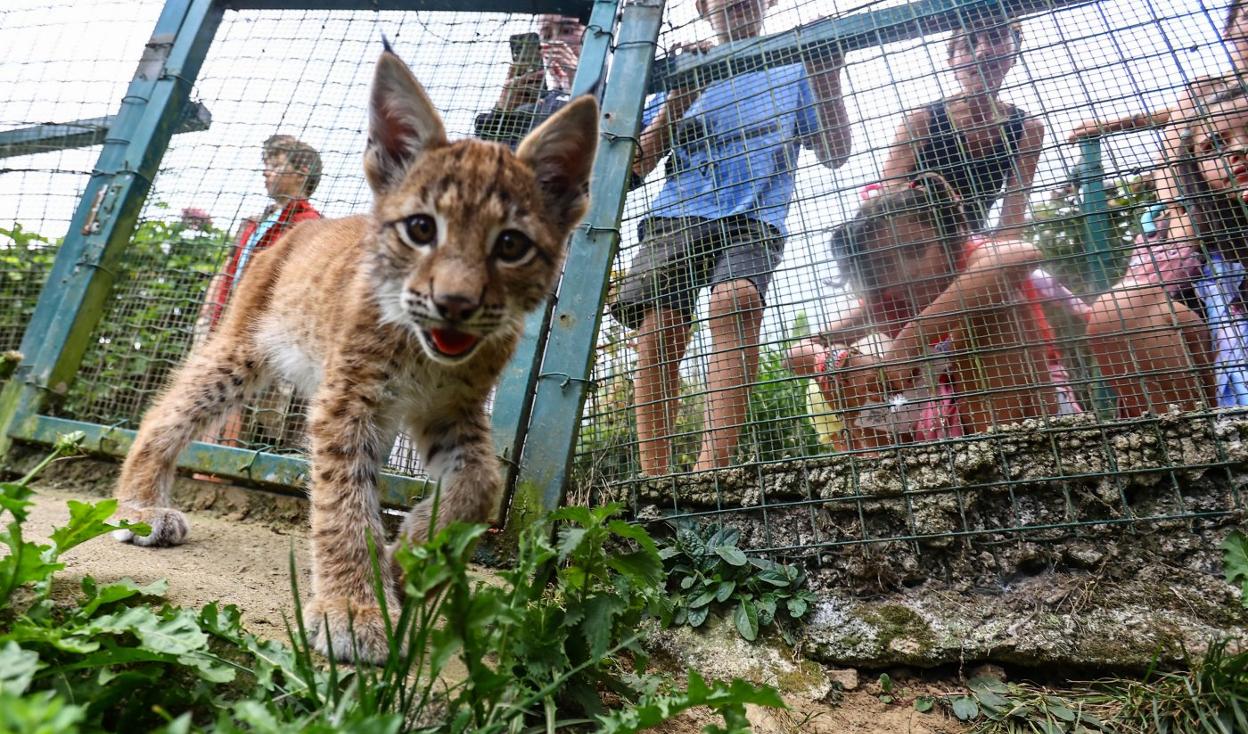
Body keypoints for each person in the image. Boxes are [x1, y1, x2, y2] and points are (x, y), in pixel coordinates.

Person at [610, 0, 852, 477]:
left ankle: (710, 476)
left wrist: (826, 73)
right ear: (703, 5)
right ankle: (655, 479)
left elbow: (836, 151)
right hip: (678, 215)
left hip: (755, 216)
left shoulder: (792, 63)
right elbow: (636, 166)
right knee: (659, 331)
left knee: (737, 301)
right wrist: (680, 96)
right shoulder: (682, 64)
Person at [787, 174, 1082, 450]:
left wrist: (908, 342)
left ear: (948, 239)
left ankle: (1006, 460)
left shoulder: (973, 256)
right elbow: (797, 353)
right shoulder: (885, 298)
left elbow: (1021, 254)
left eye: (916, 250)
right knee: (837, 361)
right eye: (886, 264)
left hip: (1028, 415)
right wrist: (848, 361)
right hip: (939, 423)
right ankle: (890, 472)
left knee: (995, 302)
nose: (906, 270)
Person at [816, 16, 1046, 351]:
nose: (982, 52)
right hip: (913, 249)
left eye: (995, 38)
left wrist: (978, 265)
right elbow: (884, 200)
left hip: (969, 250)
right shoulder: (923, 120)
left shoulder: (1028, 130)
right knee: (861, 323)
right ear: (951, 60)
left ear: (1013, 52)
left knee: (1008, 296)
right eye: (968, 44)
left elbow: (1012, 218)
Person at [1085, 89, 1248, 416]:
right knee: (1121, 306)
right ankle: (1196, 449)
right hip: (1222, 385)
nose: (1239, 150)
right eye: (1214, 144)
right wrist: (1184, 223)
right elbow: (1135, 302)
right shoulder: (1181, 225)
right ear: (1196, 168)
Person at [195, 134, 322, 453]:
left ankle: (221, 465)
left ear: (301, 172)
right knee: (207, 385)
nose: (266, 171)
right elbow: (230, 264)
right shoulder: (257, 220)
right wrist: (211, 304)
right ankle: (202, 461)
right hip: (226, 316)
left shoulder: (308, 223)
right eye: (266, 164)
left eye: (275, 165)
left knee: (242, 394)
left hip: (263, 327)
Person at [475, 14, 586, 148]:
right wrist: (502, 112)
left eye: (567, 31)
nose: (555, 41)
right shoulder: (527, 108)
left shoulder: (612, 96)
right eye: (546, 36)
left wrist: (579, 84)